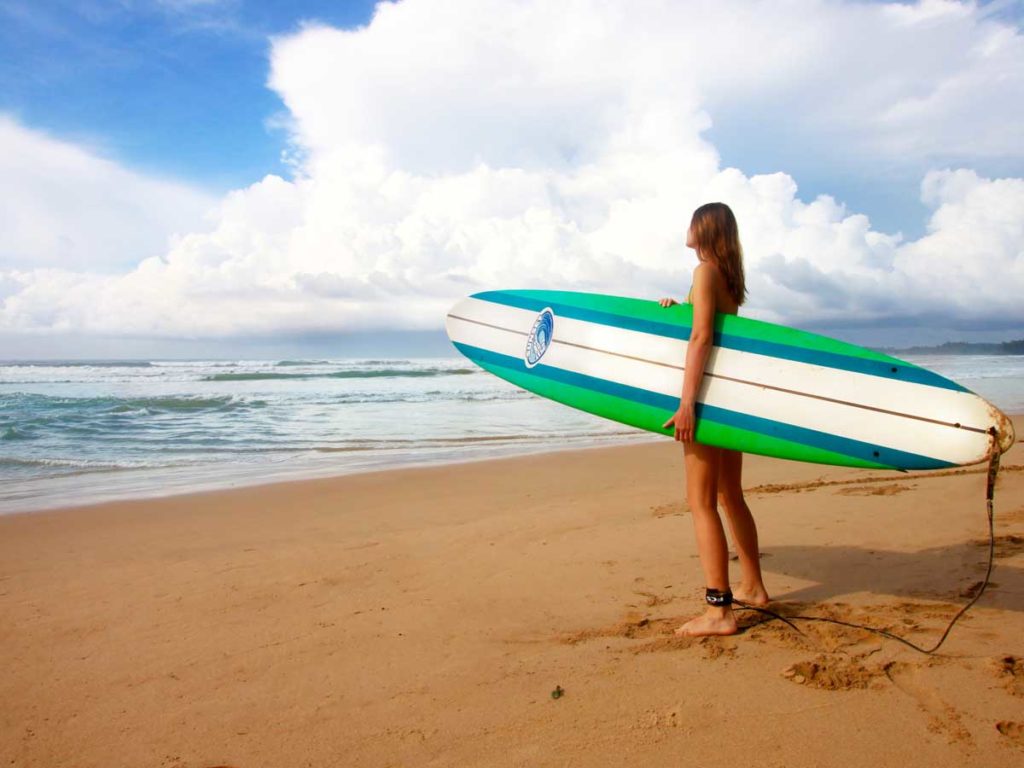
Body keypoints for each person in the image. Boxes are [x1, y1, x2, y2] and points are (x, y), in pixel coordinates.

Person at [659, 202, 769, 637]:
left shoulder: (704, 272)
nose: (685, 228)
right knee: (731, 497)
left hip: (704, 400)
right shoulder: (726, 277)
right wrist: (675, 309)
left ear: (703, 229)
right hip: (728, 401)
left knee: (701, 503)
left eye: (691, 222)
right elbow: (706, 325)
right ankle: (754, 588)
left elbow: (702, 336)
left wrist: (687, 404)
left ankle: (719, 611)